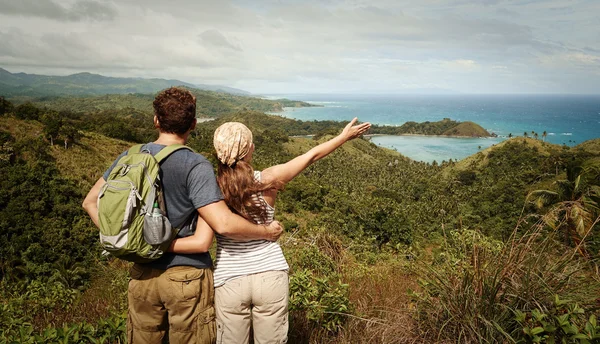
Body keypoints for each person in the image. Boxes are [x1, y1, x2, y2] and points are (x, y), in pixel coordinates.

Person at [82, 87, 284, 344]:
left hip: (142, 276)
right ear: (193, 124)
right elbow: (218, 228)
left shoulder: (131, 156)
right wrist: (266, 232)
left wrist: (131, 241)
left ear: (156, 120)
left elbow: (90, 202)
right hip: (187, 277)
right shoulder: (195, 165)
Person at [171, 118, 371, 343]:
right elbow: (311, 156)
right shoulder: (267, 179)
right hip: (270, 274)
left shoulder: (212, 190)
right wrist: (343, 137)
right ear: (250, 149)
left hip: (230, 279)